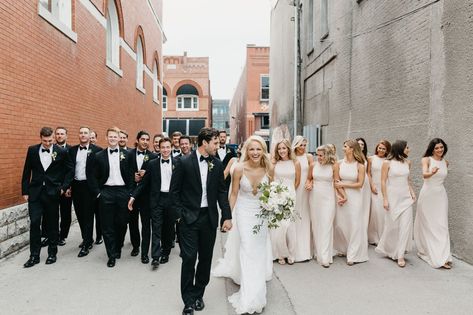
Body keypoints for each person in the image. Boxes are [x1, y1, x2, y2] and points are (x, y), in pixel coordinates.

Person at [170, 127, 232, 315]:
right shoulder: (183, 162)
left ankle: (198, 294)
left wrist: (227, 215)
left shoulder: (218, 163)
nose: (218, 145)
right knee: (189, 259)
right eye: (215, 142)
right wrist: (179, 216)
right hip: (188, 218)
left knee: (205, 259)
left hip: (209, 218)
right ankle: (188, 300)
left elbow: (221, 191)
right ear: (205, 143)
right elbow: (174, 192)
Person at [214, 135, 273, 314]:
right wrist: (227, 216)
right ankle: (250, 296)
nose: (255, 152)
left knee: (259, 250)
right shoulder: (238, 168)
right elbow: (233, 194)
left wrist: (276, 207)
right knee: (248, 249)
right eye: (252, 149)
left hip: (262, 213)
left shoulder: (270, 168)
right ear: (246, 150)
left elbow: (272, 192)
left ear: (263, 150)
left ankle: (256, 287)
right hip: (244, 212)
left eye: (259, 149)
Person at [21, 127, 73, 267]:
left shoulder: (61, 151)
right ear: (40, 138)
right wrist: (25, 191)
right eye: (45, 141)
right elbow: (26, 171)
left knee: (52, 224)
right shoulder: (32, 150)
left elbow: (70, 171)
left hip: (53, 193)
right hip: (35, 193)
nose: (48, 143)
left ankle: (52, 253)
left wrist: (63, 188)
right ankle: (34, 256)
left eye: (50, 140)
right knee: (34, 223)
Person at [87, 127, 133, 267]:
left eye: (115, 136)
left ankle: (118, 246)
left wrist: (130, 192)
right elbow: (92, 176)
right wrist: (98, 193)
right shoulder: (98, 156)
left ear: (119, 138)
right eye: (110, 136)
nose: (113, 139)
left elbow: (131, 175)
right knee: (107, 225)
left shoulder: (128, 154)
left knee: (121, 222)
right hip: (106, 192)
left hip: (122, 192)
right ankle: (111, 254)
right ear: (106, 138)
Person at [129, 137, 176, 269]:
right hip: (157, 200)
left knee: (168, 229)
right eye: (163, 147)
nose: (165, 150)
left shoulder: (178, 163)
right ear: (159, 149)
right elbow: (143, 183)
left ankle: (165, 253)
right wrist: (133, 197)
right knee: (156, 227)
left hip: (171, 200)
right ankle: (155, 257)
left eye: (168, 147)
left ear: (171, 148)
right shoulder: (152, 163)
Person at [376, 140, 416, 268]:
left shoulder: (408, 163)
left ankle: (400, 255)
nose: (409, 149)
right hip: (393, 198)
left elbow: (408, 180)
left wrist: (412, 192)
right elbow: (383, 182)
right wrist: (385, 199)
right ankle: (389, 249)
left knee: (405, 226)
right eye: (407, 147)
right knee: (391, 226)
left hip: (406, 198)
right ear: (400, 149)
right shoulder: (387, 163)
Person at [414, 138, 452, 269]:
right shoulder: (427, 160)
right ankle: (431, 253)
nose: (439, 150)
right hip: (428, 195)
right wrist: (432, 172)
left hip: (440, 196)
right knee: (429, 225)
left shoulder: (445, 162)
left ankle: (444, 255)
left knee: (441, 225)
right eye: (436, 148)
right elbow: (424, 175)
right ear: (432, 149)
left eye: (441, 147)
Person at [306, 144, 344, 267]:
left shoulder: (334, 166)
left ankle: (325, 256)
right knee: (317, 225)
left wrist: (342, 195)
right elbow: (308, 179)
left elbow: (337, 182)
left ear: (328, 155)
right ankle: (319, 253)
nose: (319, 158)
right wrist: (309, 184)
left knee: (326, 225)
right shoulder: (313, 165)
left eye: (321, 155)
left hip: (328, 198)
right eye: (317, 155)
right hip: (315, 197)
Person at [333, 139, 368, 265]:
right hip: (343, 196)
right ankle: (344, 247)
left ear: (352, 149)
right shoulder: (338, 164)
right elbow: (336, 182)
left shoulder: (360, 165)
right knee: (342, 224)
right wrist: (343, 195)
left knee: (354, 223)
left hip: (356, 197)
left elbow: (360, 184)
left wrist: (345, 184)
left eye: (345, 146)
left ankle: (353, 254)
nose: (343, 148)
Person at [126, 131, 158, 262]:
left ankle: (145, 253)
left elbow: (156, 178)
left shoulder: (153, 157)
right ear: (138, 140)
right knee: (132, 223)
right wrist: (131, 177)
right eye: (143, 139)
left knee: (146, 225)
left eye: (147, 139)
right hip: (131, 194)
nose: (145, 142)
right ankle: (135, 246)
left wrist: (147, 174)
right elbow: (123, 173)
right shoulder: (128, 155)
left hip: (146, 196)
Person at [69, 126, 102, 257]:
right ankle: (87, 238)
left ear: (89, 136)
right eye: (81, 133)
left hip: (90, 187)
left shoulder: (97, 151)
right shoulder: (72, 150)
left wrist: (98, 189)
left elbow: (101, 171)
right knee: (80, 215)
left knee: (88, 215)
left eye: (85, 133)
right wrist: (68, 187)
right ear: (78, 135)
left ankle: (87, 243)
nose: (83, 135)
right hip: (76, 186)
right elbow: (69, 170)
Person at [270, 139, 301, 265]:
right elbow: (271, 180)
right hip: (277, 196)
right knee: (279, 226)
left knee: (289, 226)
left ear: (288, 148)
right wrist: (276, 194)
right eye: (279, 149)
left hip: (290, 196)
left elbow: (298, 181)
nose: (281, 151)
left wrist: (290, 193)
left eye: (284, 148)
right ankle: (280, 254)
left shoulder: (296, 163)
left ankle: (291, 253)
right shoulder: (274, 163)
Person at [292, 136, 313, 262]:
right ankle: (293, 248)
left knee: (305, 216)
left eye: (305, 145)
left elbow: (313, 173)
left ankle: (305, 250)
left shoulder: (309, 157)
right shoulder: (291, 157)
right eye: (301, 145)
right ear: (296, 145)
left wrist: (311, 182)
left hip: (306, 190)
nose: (303, 148)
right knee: (295, 216)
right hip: (294, 188)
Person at [367, 140, 391, 245]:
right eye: (379, 148)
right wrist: (372, 185)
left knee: (383, 212)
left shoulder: (388, 161)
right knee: (375, 212)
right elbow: (368, 173)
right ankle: (373, 236)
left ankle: (383, 236)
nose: (381, 150)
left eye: (383, 149)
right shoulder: (371, 159)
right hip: (374, 187)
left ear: (387, 150)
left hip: (385, 188)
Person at [356, 137, 371, 249]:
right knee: (356, 208)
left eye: (362, 144)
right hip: (355, 183)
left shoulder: (367, 158)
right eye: (358, 144)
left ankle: (363, 234)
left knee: (365, 208)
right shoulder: (352, 156)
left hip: (365, 184)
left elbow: (368, 173)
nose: (360, 146)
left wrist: (372, 185)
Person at [89, 129, 103, 244]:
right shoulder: (80, 150)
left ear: (96, 139)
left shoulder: (100, 151)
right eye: (90, 137)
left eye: (93, 137)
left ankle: (99, 235)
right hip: (86, 188)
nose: (91, 139)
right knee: (87, 215)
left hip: (98, 187)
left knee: (99, 214)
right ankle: (87, 238)